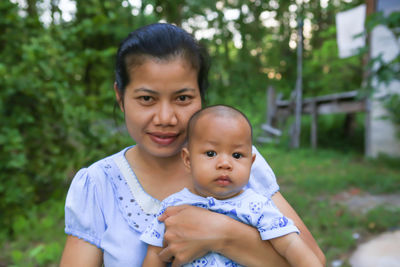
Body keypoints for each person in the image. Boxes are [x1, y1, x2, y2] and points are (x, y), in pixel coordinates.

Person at [60, 23, 325, 267]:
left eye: (183, 98)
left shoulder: (236, 163)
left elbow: (314, 260)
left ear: (201, 96)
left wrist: (223, 235)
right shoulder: (98, 185)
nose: (166, 118)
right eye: (147, 99)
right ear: (121, 96)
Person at [141, 105, 322, 267]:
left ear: (251, 163)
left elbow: (291, 245)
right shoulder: (172, 206)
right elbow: (155, 256)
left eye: (236, 155)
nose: (225, 163)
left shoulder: (258, 207)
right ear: (188, 160)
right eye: (211, 153)